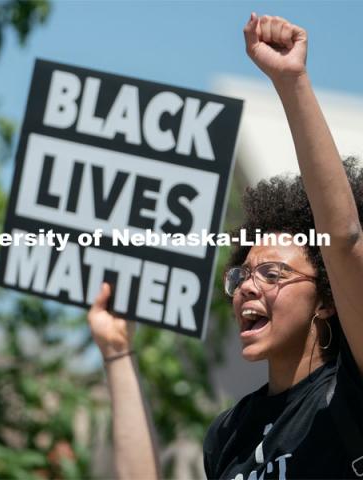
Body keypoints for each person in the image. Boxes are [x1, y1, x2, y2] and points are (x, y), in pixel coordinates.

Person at [87, 13, 363, 480]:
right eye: (241, 276)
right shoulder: (229, 434)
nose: (247, 288)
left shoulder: (350, 390)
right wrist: (116, 351)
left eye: (273, 273)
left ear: (328, 300)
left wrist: (291, 81)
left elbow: (343, 239)